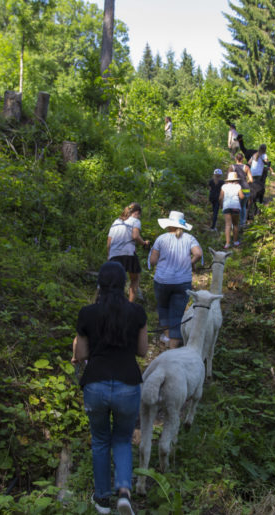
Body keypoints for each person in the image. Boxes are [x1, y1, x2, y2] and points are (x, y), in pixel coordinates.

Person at [73, 261, 148, 515]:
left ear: (100, 285)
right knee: (124, 440)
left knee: (101, 440)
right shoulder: (137, 312)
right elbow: (142, 350)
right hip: (128, 383)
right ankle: (124, 491)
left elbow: (81, 353)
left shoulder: (87, 313)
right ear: (124, 284)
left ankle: (103, 499)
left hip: (96, 384)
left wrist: (79, 352)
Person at [149, 211, 202, 349]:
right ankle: (173, 348)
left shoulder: (161, 239)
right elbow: (198, 253)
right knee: (177, 314)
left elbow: (153, 260)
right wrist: (190, 262)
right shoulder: (189, 239)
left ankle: (167, 337)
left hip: (162, 280)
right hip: (182, 281)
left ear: (169, 224)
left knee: (163, 307)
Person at [107, 203, 150, 302]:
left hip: (114, 254)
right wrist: (144, 243)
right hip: (128, 253)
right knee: (135, 279)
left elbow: (109, 241)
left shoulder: (116, 222)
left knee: (116, 280)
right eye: (140, 215)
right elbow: (135, 236)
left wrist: (109, 255)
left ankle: (113, 302)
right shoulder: (135, 221)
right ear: (136, 213)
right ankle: (130, 304)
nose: (139, 217)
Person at [219, 168, 244, 249]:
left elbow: (220, 198)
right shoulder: (238, 186)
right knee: (235, 224)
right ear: (235, 179)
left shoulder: (224, 186)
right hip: (236, 206)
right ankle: (236, 242)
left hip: (226, 206)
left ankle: (227, 243)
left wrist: (221, 205)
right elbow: (242, 196)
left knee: (227, 225)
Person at [233, 152, 253, 229]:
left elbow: (228, 179)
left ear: (235, 159)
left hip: (236, 189)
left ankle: (234, 224)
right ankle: (242, 223)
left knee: (235, 207)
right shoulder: (246, 167)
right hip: (246, 189)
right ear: (243, 159)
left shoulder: (232, 167)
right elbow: (251, 180)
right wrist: (245, 182)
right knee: (243, 206)